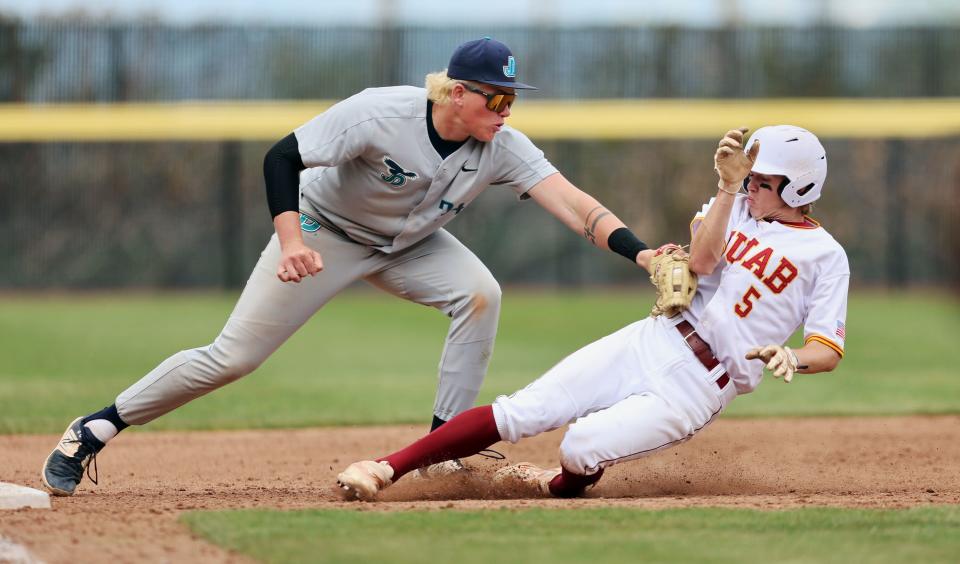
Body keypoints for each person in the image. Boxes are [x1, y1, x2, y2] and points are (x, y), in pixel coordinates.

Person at [41, 37, 653, 496]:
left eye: (513, 98)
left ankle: (443, 450)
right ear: (457, 93)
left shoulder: (502, 148)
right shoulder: (379, 113)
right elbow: (282, 157)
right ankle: (95, 427)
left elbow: (575, 206)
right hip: (323, 232)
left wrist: (643, 252)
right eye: (496, 97)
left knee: (480, 293)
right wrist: (290, 241)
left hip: (410, 245)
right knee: (234, 357)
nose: (506, 110)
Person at [335, 125, 850, 500]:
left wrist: (793, 358)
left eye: (763, 181)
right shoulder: (733, 204)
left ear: (799, 186)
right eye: (750, 178)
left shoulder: (825, 256)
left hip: (700, 387)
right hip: (656, 337)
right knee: (524, 410)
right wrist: (727, 188)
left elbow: (827, 350)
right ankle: (384, 467)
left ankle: (558, 487)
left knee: (580, 448)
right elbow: (702, 261)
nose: (752, 186)